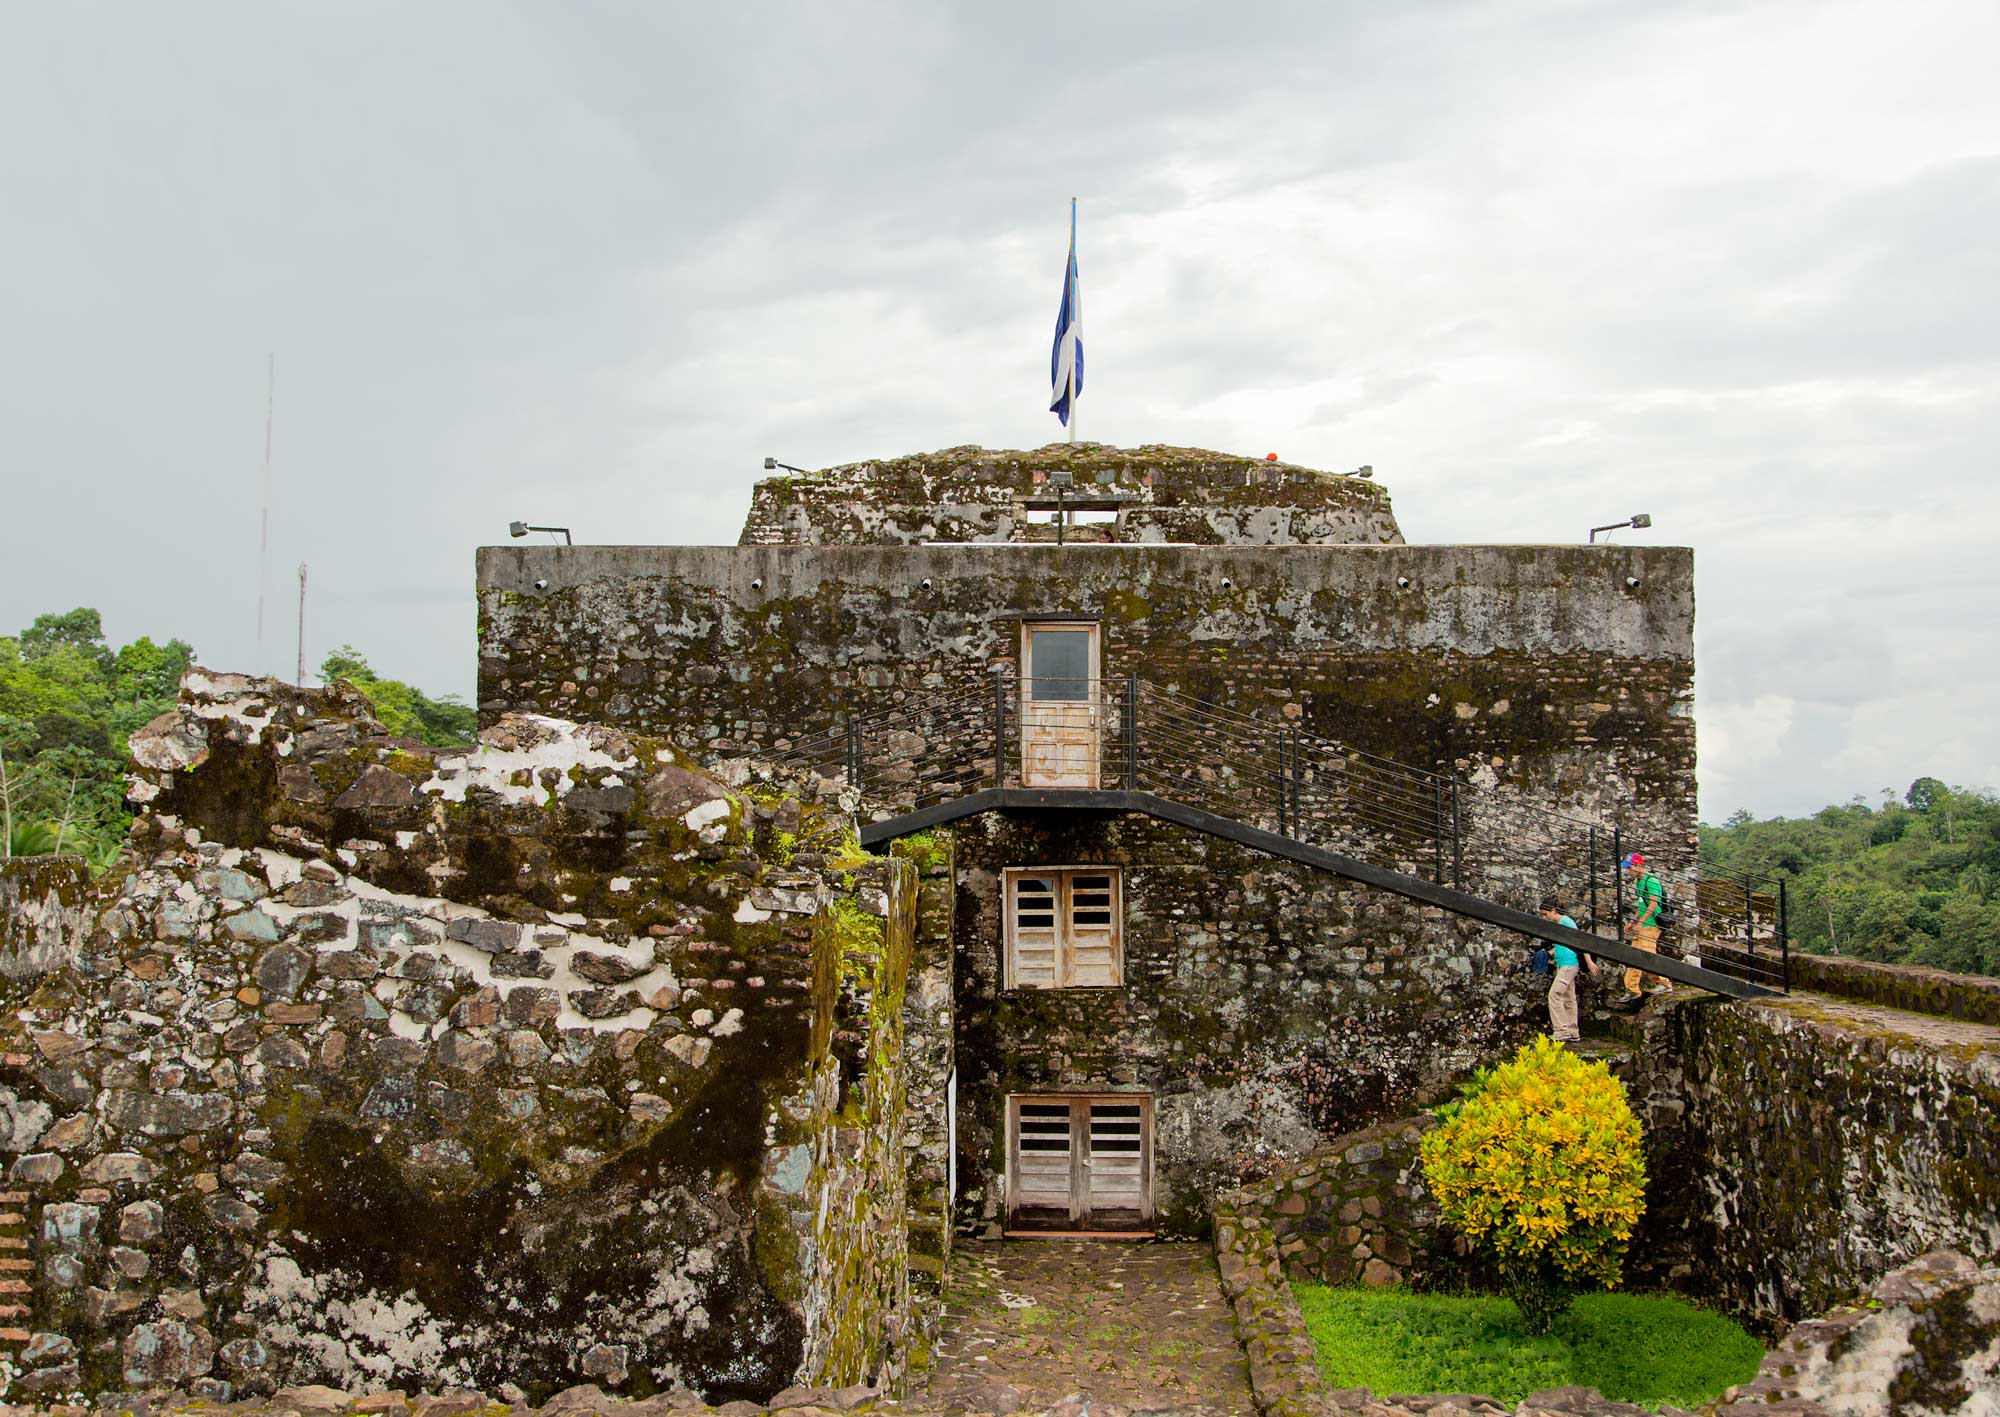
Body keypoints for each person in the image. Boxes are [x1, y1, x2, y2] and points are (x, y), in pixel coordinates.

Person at [1541, 896, 1595, 1042]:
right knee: (1568, 997)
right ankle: (1572, 1031)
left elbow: (1581, 940)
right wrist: (1548, 954)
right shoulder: (1559, 924)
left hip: (1568, 964)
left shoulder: (1565, 921)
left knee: (1554, 994)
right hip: (1563, 963)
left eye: (1545, 914)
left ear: (1553, 911)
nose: (1544, 918)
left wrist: (1589, 961)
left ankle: (1561, 1030)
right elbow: (1561, 945)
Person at [1619, 852, 1667, 1005]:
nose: (1628, 871)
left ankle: (1664, 983)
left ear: (1639, 866)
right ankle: (1632, 988)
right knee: (1635, 957)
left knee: (1647, 957)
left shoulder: (1651, 881)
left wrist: (1640, 923)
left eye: (1630, 867)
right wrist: (1633, 922)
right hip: (1644, 925)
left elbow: (1653, 904)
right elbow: (1642, 906)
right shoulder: (1639, 883)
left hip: (1652, 925)